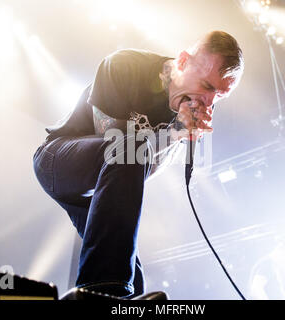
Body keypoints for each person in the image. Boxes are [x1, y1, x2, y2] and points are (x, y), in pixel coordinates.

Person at [33, 30, 244, 298]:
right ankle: (99, 290)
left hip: (95, 191)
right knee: (110, 280)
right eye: (207, 86)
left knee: (132, 284)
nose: (209, 102)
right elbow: (119, 150)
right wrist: (173, 132)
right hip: (56, 161)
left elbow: (139, 172)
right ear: (182, 62)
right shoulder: (126, 67)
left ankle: (113, 294)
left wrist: (178, 133)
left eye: (220, 96)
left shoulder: (183, 112)